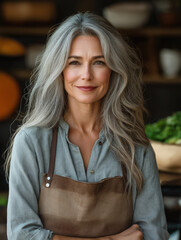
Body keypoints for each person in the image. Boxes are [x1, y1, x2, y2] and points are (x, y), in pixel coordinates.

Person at [5, 12, 169, 240]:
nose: (86, 75)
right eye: (74, 62)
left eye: (99, 62)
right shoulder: (31, 141)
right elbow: (21, 234)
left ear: (113, 71)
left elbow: (153, 235)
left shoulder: (135, 147)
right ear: (59, 70)